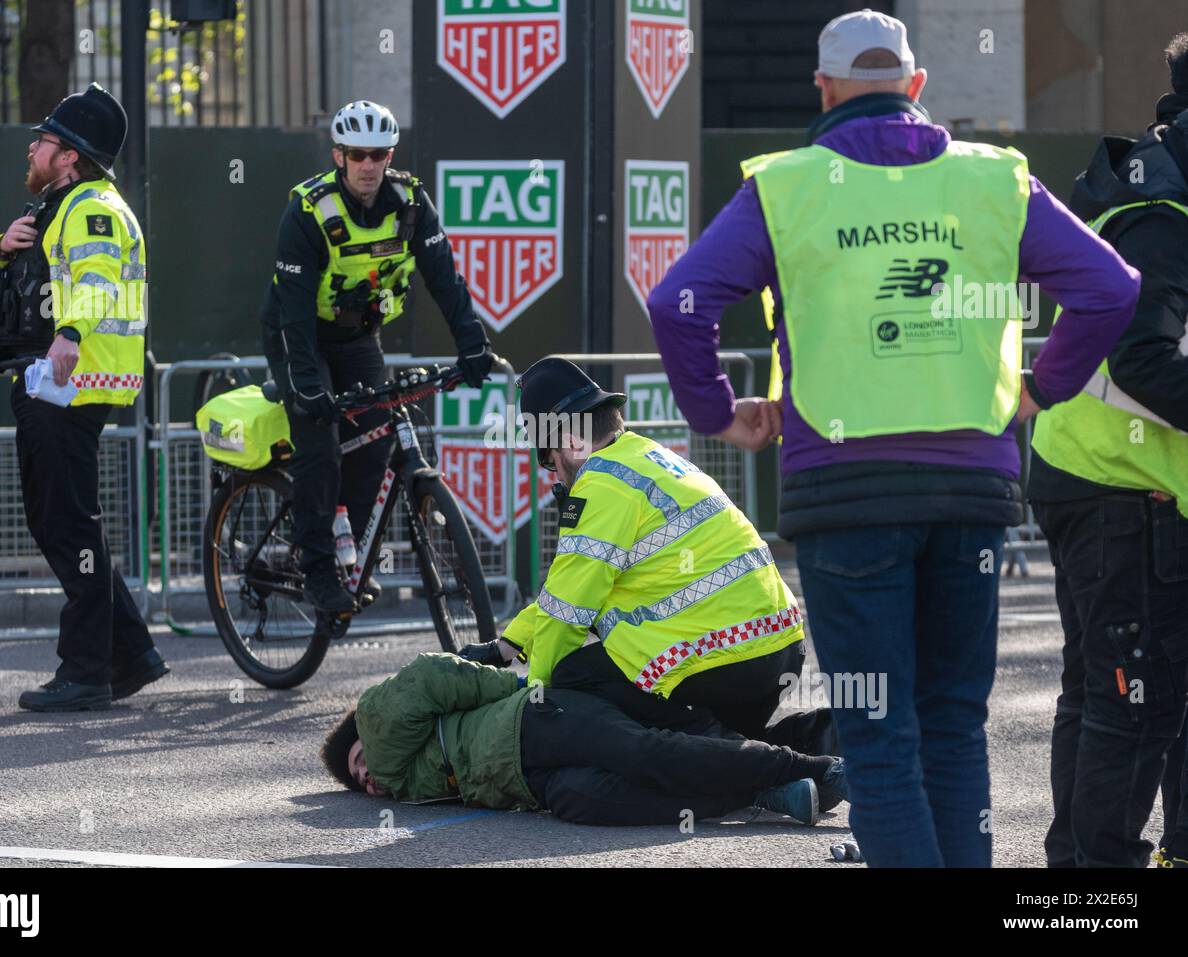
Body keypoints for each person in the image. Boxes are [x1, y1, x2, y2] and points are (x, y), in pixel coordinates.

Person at [647, 9, 1140, 866]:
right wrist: (1039, 390)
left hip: (845, 499)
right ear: (916, 87)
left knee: (878, 736)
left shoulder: (788, 185)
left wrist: (723, 413)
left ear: (824, 89)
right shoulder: (993, 181)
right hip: (969, 497)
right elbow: (1110, 286)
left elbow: (676, 302)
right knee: (954, 726)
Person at [461, 357, 837, 771]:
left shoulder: (602, 485)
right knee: (723, 740)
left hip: (721, 660)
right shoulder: (651, 458)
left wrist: (532, 699)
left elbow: (567, 615)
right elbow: (564, 596)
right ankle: (830, 737)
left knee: (574, 677)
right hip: (776, 648)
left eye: (549, 458)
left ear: (569, 441)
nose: (556, 472)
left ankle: (750, 767)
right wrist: (508, 645)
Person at [1027, 33, 1188, 869]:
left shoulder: (1151, 185)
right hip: (1121, 484)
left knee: (1103, 692)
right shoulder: (1164, 215)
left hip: (1090, 472)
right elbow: (1145, 361)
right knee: (1133, 703)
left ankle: (1079, 884)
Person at [260, 100, 494, 616]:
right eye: (358, 155)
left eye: (379, 155)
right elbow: (294, 312)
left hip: (359, 337)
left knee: (374, 441)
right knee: (320, 445)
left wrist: (472, 344)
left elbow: (445, 280)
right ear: (339, 155)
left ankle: (352, 552)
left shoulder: (411, 203)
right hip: (298, 336)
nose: (369, 166)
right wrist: (306, 386)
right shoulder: (309, 209)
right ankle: (319, 570)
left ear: (391, 156)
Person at [0, 83, 167, 712]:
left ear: (69, 155)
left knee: (68, 523)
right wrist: (0, 247)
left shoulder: (91, 209)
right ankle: (132, 653)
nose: (32, 147)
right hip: (47, 381)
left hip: (71, 380)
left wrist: (69, 333)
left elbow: (96, 279)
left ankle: (87, 670)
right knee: (60, 519)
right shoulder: (54, 206)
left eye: (44, 140)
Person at [321, 652, 847, 826]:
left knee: (649, 754)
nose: (367, 777)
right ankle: (765, 790)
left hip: (532, 720)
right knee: (599, 799)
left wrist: (522, 689)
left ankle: (817, 768)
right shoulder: (407, 783)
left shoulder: (382, 717)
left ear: (364, 733)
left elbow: (434, 673)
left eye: (359, 760)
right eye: (359, 782)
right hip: (537, 786)